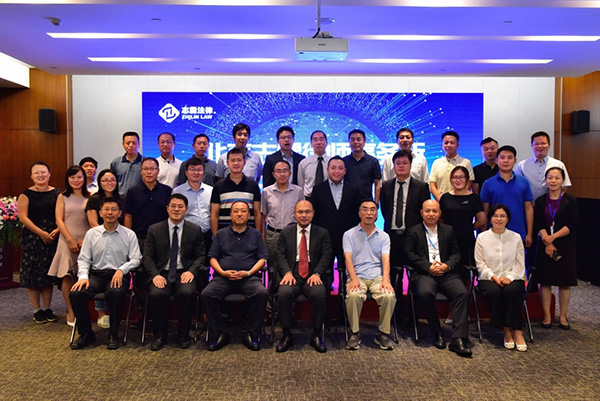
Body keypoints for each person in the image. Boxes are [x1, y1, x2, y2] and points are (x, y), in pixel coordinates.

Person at [70, 197, 142, 350]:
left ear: (120, 213)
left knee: (116, 292)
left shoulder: (129, 234)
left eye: (114, 209)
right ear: (100, 213)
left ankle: (113, 334)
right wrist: (83, 277)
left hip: (118, 274)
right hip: (96, 275)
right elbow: (83, 259)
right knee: (76, 294)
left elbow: (136, 259)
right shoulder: (91, 234)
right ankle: (86, 334)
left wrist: (122, 270)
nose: (110, 213)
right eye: (106, 209)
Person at [405, 199, 472, 357]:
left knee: (461, 293)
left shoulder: (448, 230)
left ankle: (458, 339)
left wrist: (446, 266)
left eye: (434, 211)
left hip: (446, 273)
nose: (431, 214)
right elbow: (410, 255)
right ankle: (437, 332)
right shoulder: (413, 231)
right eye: (427, 211)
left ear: (440, 213)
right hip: (424, 273)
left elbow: (456, 254)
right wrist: (428, 267)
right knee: (424, 293)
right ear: (422, 213)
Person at [201, 201, 269, 351]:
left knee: (262, 293)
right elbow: (212, 258)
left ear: (249, 215)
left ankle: (251, 334)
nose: (239, 214)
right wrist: (222, 272)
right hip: (223, 277)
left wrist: (249, 272)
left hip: (249, 277)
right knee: (207, 294)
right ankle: (219, 333)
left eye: (243, 211)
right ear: (230, 214)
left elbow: (262, 258)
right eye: (236, 211)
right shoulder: (221, 234)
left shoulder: (256, 234)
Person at [143, 194, 206, 350]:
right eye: (173, 206)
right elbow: (147, 257)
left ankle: (183, 334)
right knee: (156, 294)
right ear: (167, 208)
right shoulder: (154, 229)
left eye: (180, 206)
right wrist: (155, 275)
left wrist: (191, 271)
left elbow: (201, 256)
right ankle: (160, 335)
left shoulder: (194, 230)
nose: (176, 209)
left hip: (184, 272)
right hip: (161, 273)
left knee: (187, 293)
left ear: (186, 209)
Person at [275, 200, 333, 353]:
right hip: (292, 272)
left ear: (313, 213)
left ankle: (316, 335)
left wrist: (317, 273)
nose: (304, 215)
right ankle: (286, 335)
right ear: (294, 214)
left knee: (319, 294)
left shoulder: (322, 233)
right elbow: (280, 254)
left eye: (307, 212)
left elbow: (327, 255)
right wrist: (287, 272)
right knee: (283, 293)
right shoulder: (286, 232)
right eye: (300, 212)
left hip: (313, 272)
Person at [343, 200, 396, 350]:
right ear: (359, 213)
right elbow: (348, 258)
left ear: (377, 215)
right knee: (354, 295)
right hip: (357, 275)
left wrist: (386, 279)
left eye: (373, 210)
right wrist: (353, 279)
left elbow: (386, 259)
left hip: (377, 276)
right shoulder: (349, 234)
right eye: (365, 209)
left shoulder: (384, 236)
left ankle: (383, 334)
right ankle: (354, 333)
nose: (369, 213)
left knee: (388, 296)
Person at [475, 204, 527, 351]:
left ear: (508, 219)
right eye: (495, 216)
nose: (499, 219)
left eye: (502, 216)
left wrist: (509, 277)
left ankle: (518, 332)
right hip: (489, 278)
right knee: (495, 292)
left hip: (513, 276)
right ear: (490, 218)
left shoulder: (516, 237)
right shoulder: (482, 237)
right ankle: (507, 331)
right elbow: (480, 263)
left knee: (512, 291)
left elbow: (520, 264)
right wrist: (493, 277)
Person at [533, 167, 579, 330]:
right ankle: (547, 316)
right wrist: (548, 241)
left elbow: (572, 224)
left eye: (557, 178)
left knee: (564, 282)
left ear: (562, 180)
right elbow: (538, 223)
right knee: (544, 281)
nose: (553, 181)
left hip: (565, 244)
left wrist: (553, 238)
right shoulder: (540, 201)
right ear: (545, 180)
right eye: (550, 178)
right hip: (545, 244)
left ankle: (563, 316)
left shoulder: (570, 200)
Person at [17, 161, 60, 324]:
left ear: (49, 174)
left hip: (52, 237)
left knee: (47, 275)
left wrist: (57, 230)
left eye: (43, 172)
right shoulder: (26, 194)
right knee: (33, 275)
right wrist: (41, 233)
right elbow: (23, 217)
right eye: (36, 173)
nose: (40, 175)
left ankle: (47, 308)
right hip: (33, 238)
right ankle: (37, 310)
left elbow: (62, 215)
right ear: (31, 176)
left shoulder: (57, 193)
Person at [48, 165, 91, 327]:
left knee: (84, 274)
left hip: (86, 239)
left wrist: (84, 240)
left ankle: (85, 310)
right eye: (72, 177)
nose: (76, 180)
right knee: (67, 275)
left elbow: (93, 221)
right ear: (67, 179)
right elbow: (59, 220)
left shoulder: (91, 196)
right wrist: (70, 240)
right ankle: (71, 311)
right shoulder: (62, 196)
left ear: (84, 178)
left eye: (79, 177)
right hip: (66, 240)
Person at [380, 150, 430, 284]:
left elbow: (424, 211)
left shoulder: (421, 186)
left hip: (412, 236)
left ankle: (414, 297)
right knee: (394, 273)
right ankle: (395, 298)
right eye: (398, 163)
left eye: (405, 163)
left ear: (410, 165)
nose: (401, 166)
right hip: (392, 235)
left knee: (415, 274)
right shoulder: (386, 186)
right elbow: (385, 210)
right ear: (394, 166)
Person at [311, 156, 361, 279]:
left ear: (345, 171)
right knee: (325, 271)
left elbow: (357, 215)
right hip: (325, 237)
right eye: (333, 168)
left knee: (348, 270)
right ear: (327, 170)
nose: (336, 171)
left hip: (348, 237)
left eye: (340, 168)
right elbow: (314, 215)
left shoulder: (353, 189)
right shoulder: (318, 189)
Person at [85, 168, 124, 328]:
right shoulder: (94, 199)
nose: (109, 183)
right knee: (99, 269)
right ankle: (101, 313)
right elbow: (93, 222)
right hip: (99, 240)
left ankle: (115, 318)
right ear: (100, 183)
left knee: (115, 279)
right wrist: (105, 235)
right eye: (105, 180)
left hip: (119, 239)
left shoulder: (121, 199)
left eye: (112, 180)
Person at [480, 145, 534, 247]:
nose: (506, 161)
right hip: (494, 233)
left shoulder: (524, 182)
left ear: (515, 160)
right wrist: (484, 233)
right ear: (496, 160)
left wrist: (529, 233)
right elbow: (485, 212)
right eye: (502, 157)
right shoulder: (488, 183)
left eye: (510, 158)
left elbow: (528, 208)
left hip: (519, 232)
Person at [261, 160, 304, 275]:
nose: (282, 174)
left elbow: (302, 214)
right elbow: (263, 216)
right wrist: (263, 238)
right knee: (273, 268)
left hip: (293, 234)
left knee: (292, 266)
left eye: (285, 171)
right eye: (278, 171)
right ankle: (272, 286)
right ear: (273, 174)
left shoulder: (298, 191)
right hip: (273, 235)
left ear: (290, 173)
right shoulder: (266, 192)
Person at [439, 166, 486, 270]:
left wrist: (469, 227)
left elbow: (482, 219)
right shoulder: (445, 197)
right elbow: (440, 218)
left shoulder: (474, 198)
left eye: (461, 177)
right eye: (455, 177)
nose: (458, 180)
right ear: (451, 180)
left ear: (467, 179)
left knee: (466, 269)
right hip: (448, 239)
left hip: (467, 239)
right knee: (448, 268)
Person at [210, 147, 261, 235]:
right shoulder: (218, 186)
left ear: (244, 162)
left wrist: (257, 235)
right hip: (224, 235)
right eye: (232, 160)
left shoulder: (253, 185)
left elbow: (257, 213)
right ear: (227, 163)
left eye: (239, 160)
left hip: (249, 234)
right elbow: (214, 214)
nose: (236, 163)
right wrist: (216, 237)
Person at [123, 157, 172, 246]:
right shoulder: (133, 191)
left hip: (162, 238)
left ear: (158, 171)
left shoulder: (167, 191)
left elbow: (170, 214)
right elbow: (128, 216)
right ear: (141, 171)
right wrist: (129, 237)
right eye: (145, 169)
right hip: (139, 238)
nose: (149, 172)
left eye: (152, 169)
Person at [172, 157, 213, 258]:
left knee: (206, 263)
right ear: (186, 172)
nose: (196, 173)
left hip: (207, 235)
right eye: (192, 169)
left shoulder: (211, 191)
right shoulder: (178, 191)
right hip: (186, 235)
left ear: (203, 172)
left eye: (199, 170)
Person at [515, 131, 572, 200]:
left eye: (543, 143)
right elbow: (516, 186)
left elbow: (564, 186)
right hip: (527, 203)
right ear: (532, 146)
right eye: (536, 144)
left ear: (549, 145)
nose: (540, 146)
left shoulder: (558, 164)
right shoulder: (522, 165)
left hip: (550, 204)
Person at [429, 131, 475, 201]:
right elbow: (432, 185)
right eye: (446, 143)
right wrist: (442, 201)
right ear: (442, 146)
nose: (449, 145)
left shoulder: (466, 162)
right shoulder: (436, 163)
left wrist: (460, 200)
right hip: (440, 202)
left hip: (461, 203)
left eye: (452, 143)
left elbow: (469, 183)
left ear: (457, 145)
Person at [343, 129, 382, 203]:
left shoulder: (373, 161)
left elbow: (377, 184)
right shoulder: (344, 161)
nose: (355, 142)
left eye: (358, 139)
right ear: (349, 142)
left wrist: (376, 203)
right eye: (352, 140)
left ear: (364, 142)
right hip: (347, 202)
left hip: (367, 203)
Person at [297, 130, 330, 200]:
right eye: (315, 140)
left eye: (321, 139)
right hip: (309, 198)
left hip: (328, 198)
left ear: (326, 143)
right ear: (311, 144)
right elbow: (301, 185)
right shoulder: (304, 163)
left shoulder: (332, 162)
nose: (318, 142)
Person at [110, 131, 143, 196]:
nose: (131, 145)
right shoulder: (116, 162)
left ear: (139, 144)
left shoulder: (145, 162)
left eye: (134, 143)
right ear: (123, 144)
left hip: (140, 198)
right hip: (120, 198)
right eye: (128, 143)